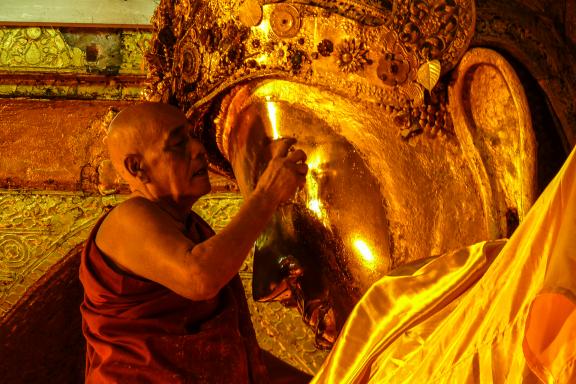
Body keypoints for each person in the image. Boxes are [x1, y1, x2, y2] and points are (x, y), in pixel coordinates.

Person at [79, 102, 310, 383]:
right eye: (178, 143)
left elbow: (232, 352)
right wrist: (267, 193)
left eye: (193, 136)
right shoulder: (127, 218)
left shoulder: (193, 230)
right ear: (137, 167)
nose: (198, 150)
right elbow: (200, 277)